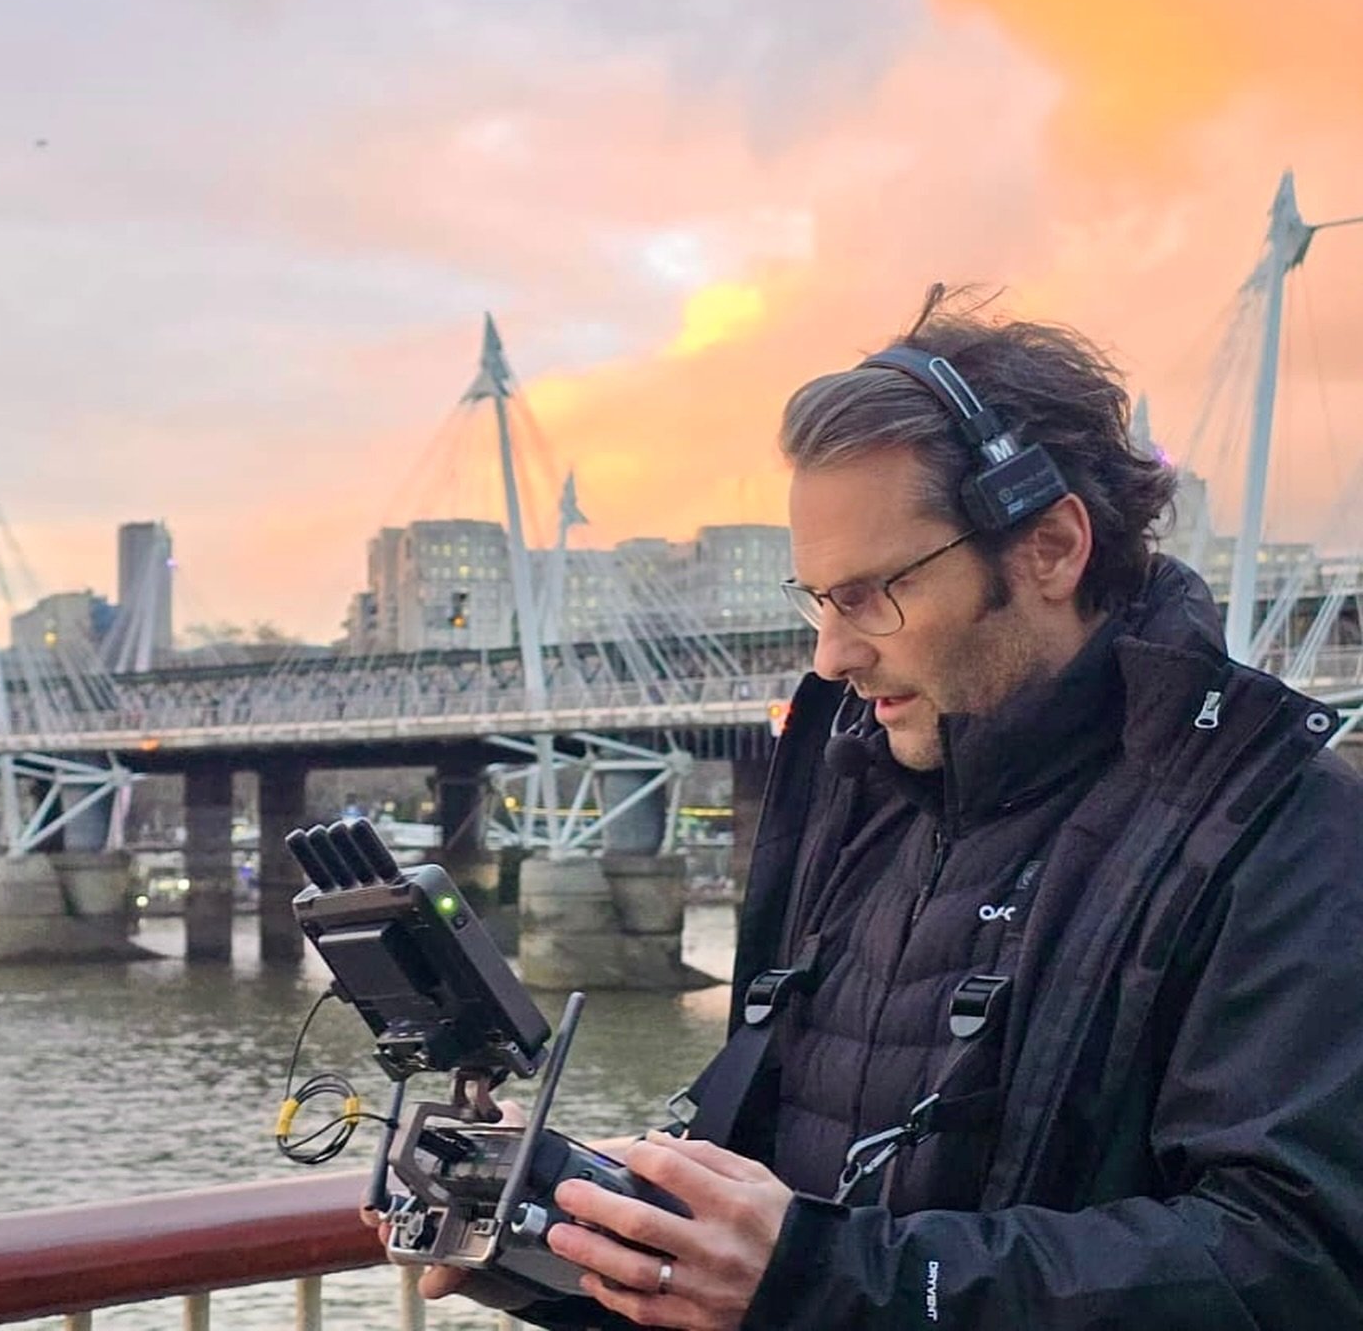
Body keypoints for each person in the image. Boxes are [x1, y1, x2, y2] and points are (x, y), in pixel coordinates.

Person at [406, 286, 1363, 1329]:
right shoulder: (855, 795)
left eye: (872, 593)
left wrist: (838, 1277)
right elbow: (783, 1243)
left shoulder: (1282, 826)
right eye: (817, 599)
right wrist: (591, 1257)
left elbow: (1297, 1265)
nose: (833, 654)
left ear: (1050, 546)